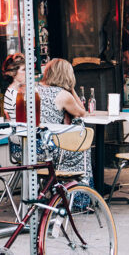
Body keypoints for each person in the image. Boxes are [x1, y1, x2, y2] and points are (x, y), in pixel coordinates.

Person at [36, 58, 92, 187]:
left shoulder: (34, 89)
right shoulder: (62, 95)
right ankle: (77, 195)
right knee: (82, 149)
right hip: (48, 149)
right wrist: (71, 89)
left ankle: (52, 188)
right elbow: (82, 112)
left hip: (30, 147)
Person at [1, 53, 26, 122]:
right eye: (24, 69)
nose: (28, 73)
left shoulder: (19, 90)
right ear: (13, 73)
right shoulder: (12, 93)